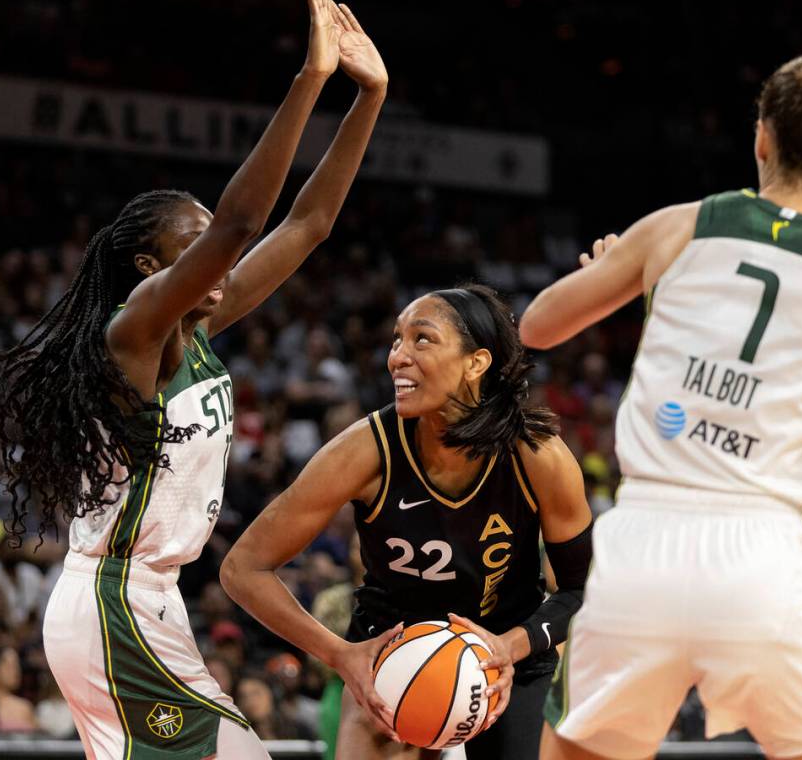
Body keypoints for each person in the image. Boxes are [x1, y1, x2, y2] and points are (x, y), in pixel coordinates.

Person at [0, 0, 387, 758]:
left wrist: (368, 96)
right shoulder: (131, 336)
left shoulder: (197, 328)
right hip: (115, 602)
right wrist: (309, 78)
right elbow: (238, 225)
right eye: (188, 251)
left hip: (147, 601)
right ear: (145, 269)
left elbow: (311, 223)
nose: (215, 266)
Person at [520, 40, 802, 760]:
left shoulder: (675, 226)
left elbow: (536, 325)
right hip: (766, 564)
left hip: (641, 553)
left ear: (760, 138)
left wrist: (620, 269)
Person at [221, 283, 593, 760]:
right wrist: (338, 653)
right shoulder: (365, 450)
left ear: (476, 363)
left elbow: (582, 591)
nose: (398, 356)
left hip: (508, 657)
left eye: (422, 339)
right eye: (396, 340)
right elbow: (242, 568)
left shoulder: (537, 455)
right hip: (390, 659)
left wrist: (512, 645)